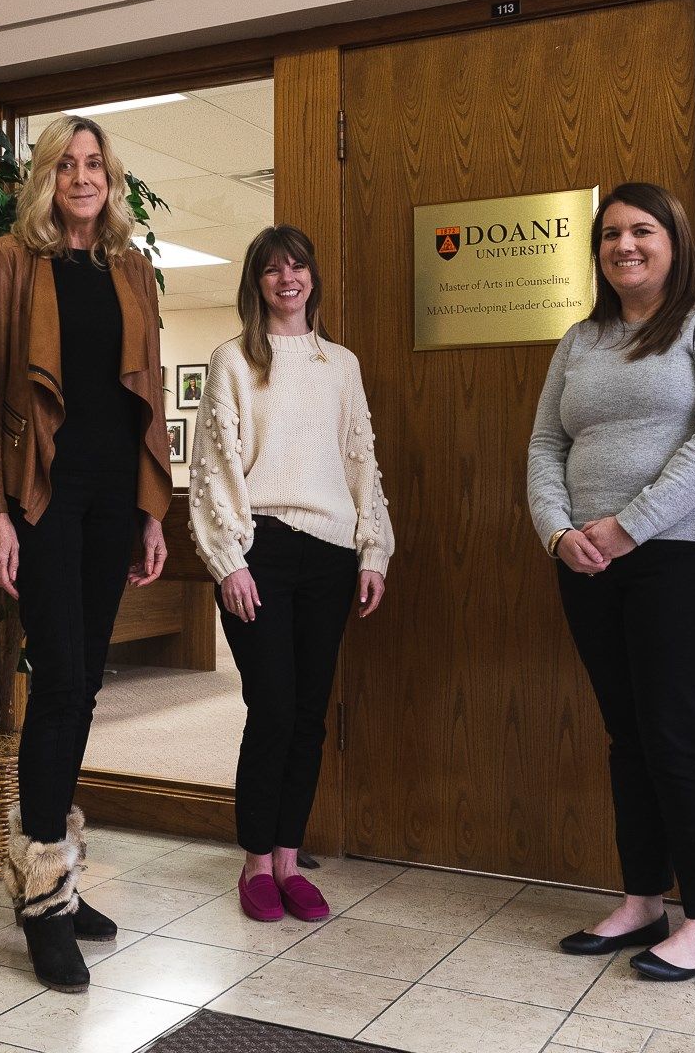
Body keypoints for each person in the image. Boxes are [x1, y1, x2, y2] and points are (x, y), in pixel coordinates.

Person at [527, 182, 695, 982]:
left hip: (682, 553)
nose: (623, 246)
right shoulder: (580, 338)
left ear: (673, 239)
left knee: (672, 734)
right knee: (626, 735)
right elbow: (543, 448)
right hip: (588, 562)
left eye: (641, 231)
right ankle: (641, 901)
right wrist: (558, 533)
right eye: (609, 236)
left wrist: (631, 523)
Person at [0, 114, 172, 992]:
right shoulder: (12, 261)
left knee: (86, 683)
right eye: (67, 164)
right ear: (45, 176)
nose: (83, 177)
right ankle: (43, 906)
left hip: (110, 502)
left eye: (96, 164)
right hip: (43, 499)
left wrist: (152, 512)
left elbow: (147, 399)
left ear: (109, 178)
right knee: (56, 683)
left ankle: (56, 869)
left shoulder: (130, 266)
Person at [188, 225, 394, 923]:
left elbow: (361, 459)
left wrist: (373, 551)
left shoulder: (341, 365)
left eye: (298, 267)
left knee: (310, 714)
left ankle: (287, 857)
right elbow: (212, 469)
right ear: (256, 282)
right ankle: (253, 864)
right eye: (272, 269)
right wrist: (228, 563)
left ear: (312, 278)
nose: (287, 279)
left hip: (332, 553)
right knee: (272, 707)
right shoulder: (233, 362)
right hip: (262, 551)